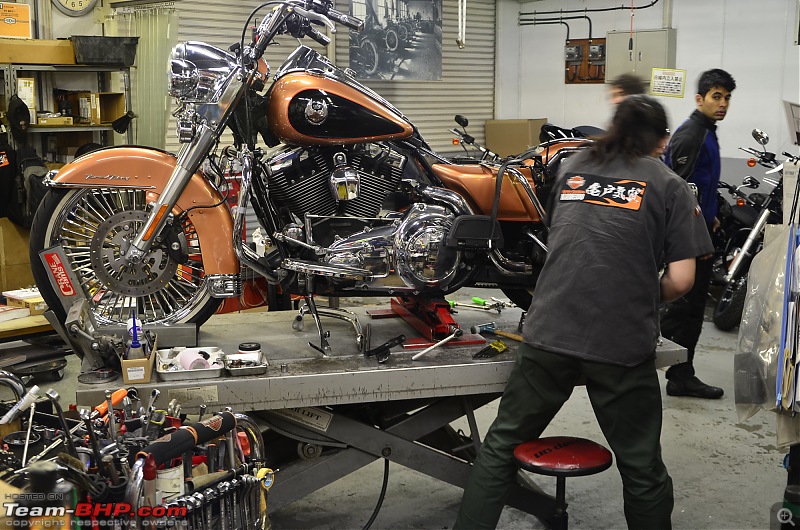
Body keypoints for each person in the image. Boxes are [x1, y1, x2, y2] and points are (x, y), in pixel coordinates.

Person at [454, 95, 713, 529]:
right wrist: (644, 298)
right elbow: (683, 280)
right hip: (620, 342)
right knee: (641, 468)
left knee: (500, 448)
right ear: (661, 140)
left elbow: (568, 241)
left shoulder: (572, 170)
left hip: (549, 328)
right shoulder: (669, 185)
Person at [660, 68, 737, 399]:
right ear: (699, 99)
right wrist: (693, 237)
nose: (722, 104)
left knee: (688, 309)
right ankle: (677, 374)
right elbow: (676, 189)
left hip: (699, 231)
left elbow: (701, 186)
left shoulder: (705, 130)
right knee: (685, 310)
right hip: (689, 240)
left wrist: (713, 214)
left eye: (727, 98)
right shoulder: (692, 134)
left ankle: (680, 372)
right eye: (716, 97)